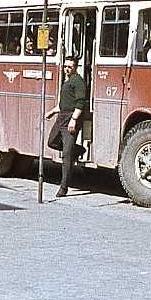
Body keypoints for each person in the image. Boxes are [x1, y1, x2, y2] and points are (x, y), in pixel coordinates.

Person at [44, 56, 86, 198]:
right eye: (65, 66)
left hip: (70, 118)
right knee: (52, 141)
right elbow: (64, 102)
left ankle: (63, 187)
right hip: (61, 117)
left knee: (66, 156)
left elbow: (80, 103)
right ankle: (77, 149)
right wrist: (52, 111)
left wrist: (74, 120)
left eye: (70, 67)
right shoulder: (67, 81)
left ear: (75, 68)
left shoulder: (78, 81)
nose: (67, 69)